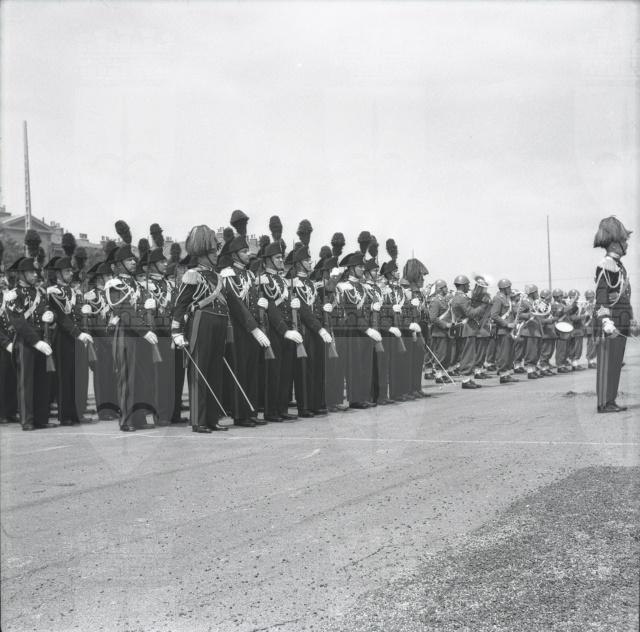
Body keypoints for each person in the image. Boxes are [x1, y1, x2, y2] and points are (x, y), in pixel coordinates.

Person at [171, 224, 230, 432]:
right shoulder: (192, 274)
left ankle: (212, 418)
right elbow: (180, 305)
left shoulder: (217, 276)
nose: (216, 254)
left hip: (218, 324)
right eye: (212, 251)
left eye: (216, 250)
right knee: (200, 371)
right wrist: (176, 332)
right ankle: (198, 419)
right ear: (202, 253)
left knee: (215, 372)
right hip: (200, 324)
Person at [220, 210, 271, 427]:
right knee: (240, 371)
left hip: (253, 329)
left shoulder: (249, 275)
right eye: (243, 251)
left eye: (247, 250)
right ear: (234, 255)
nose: (248, 254)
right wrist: (253, 328)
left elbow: (252, 300)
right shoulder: (228, 275)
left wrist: (261, 308)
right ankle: (241, 415)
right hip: (239, 330)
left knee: (252, 371)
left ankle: (251, 412)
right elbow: (236, 305)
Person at [106, 221, 157, 431]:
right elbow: (125, 311)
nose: (134, 262)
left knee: (142, 378)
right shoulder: (114, 284)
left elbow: (140, 308)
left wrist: (149, 307)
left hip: (140, 335)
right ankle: (126, 419)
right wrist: (145, 331)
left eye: (134, 259)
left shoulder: (136, 283)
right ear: (119, 264)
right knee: (127, 379)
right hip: (126, 334)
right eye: (129, 259)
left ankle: (139, 417)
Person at [5, 230, 55, 430]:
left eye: (36, 272)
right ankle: (27, 420)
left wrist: (50, 317)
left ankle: (41, 418)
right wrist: (37, 342)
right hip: (26, 342)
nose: (36, 275)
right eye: (32, 272)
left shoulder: (40, 292)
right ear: (22, 274)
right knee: (26, 382)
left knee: (42, 381)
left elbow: (45, 311)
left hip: (42, 340)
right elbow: (19, 323)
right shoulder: (13, 295)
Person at [45, 233, 94, 425]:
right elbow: (62, 318)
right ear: (58, 274)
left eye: (70, 271)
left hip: (75, 337)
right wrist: (78, 333)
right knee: (64, 377)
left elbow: (75, 314)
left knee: (75, 376)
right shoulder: (54, 292)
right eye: (66, 272)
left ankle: (75, 413)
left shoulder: (72, 291)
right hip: (62, 338)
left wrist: (84, 322)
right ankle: (65, 415)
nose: (70, 274)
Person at [257, 216, 303, 422]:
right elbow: (272, 309)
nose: (281, 261)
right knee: (274, 372)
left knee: (286, 371)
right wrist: (284, 330)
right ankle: (271, 410)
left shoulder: (284, 281)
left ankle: (283, 408)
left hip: (288, 329)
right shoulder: (264, 280)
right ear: (267, 260)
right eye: (277, 258)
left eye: (282, 257)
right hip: (274, 331)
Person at [592, 216, 632, 413]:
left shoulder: (617, 265)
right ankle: (603, 403)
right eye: (624, 240)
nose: (627, 244)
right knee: (607, 365)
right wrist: (606, 320)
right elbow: (601, 297)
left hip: (620, 320)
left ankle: (610, 400)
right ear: (615, 244)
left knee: (615, 364)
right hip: (610, 322)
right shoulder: (606, 265)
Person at [337, 249, 379, 408]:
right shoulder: (343, 287)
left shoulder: (365, 288)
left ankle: (364, 396)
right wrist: (367, 329)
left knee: (366, 364)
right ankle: (355, 399)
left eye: (363, 266)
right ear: (351, 268)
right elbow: (351, 312)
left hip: (366, 330)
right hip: (353, 331)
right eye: (360, 267)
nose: (363, 269)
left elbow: (367, 310)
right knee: (355, 365)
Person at [450, 274, 488, 389]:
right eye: (467, 285)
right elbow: (471, 313)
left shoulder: (460, 297)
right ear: (462, 285)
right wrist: (483, 306)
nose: (469, 287)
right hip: (467, 329)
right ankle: (466, 380)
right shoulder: (461, 298)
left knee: (470, 355)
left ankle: (469, 379)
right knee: (468, 355)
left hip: (467, 329)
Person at [0, 240, 19, 424]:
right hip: (2, 341)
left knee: (11, 377)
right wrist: (5, 342)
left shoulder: (7, 292)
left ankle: (10, 410)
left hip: (11, 337)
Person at [490, 278, 518, 384]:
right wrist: (506, 324)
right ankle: (503, 375)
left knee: (509, 354)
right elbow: (494, 315)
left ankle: (506, 374)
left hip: (509, 330)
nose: (510, 289)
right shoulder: (498, 298)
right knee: (504, 354)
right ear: (504, 288)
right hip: (503, 330)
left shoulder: (508, 298)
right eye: (509, 287)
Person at [583, 289, 597, 369]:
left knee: (595, 344)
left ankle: (593, 360)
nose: (590, 299)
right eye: (588, 297)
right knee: (590, 344)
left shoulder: (596, 305)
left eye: (591, 297)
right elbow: (584, 317)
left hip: (596, 327)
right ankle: (590, 361)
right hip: (589, 327)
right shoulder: (585, 306)